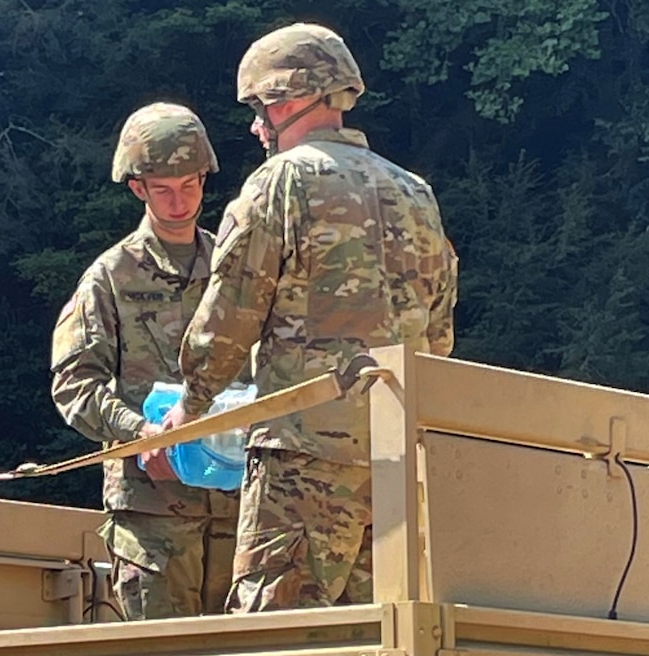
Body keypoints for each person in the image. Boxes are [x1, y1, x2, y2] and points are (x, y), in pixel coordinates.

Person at [148, 24, 458, 613]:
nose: (255, 125)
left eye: (260, 108)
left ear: (289, 99)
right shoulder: (417, 194)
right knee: (382, 643)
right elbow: (438, 333)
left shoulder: (281, 182)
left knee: (275, 644)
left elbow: (231, 314)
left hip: (302, 458)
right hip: (397, 463)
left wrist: (189, 411)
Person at [50, 103, 239, 620]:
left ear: (204, 178)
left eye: (190, 186)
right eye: (163, 189)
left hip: (236, 504)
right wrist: (139, 433)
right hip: (151, 513)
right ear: (138, 188)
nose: (179, 202)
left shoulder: (234, 268)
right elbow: (74, 384)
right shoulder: (111, 276)